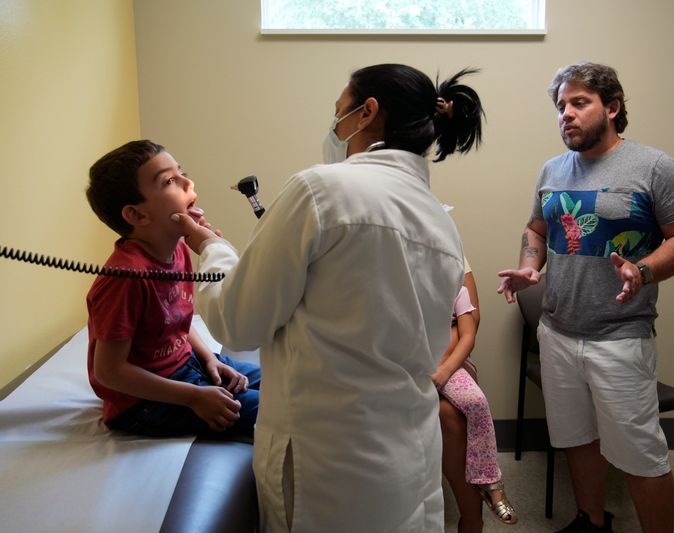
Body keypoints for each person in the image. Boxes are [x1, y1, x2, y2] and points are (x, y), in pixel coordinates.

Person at [172, 64, 486, 532]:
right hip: (409, 454)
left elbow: (237, 322)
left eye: (339, 112)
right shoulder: (441, 223)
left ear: (368, 113)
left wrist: (212, 248)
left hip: (328, 462)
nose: (334, 127)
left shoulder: (320, 190)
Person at [497, 62, 674, 533]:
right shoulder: (552, 170)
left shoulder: (654, 166)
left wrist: (645, 269)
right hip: (556, 331)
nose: (565, 114)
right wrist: (531, 267)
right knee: (577, 438)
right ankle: (592, 521)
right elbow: (537, 228)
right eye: (560, 106)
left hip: (619, 336)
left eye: (578, 103)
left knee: (640, 454)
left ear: (611, 108)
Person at [85, 139, 261, 438]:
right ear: (137, 215)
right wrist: (193, 396)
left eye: (182, 173)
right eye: (169, 180)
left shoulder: (178, 250)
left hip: (186, 366)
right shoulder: (126, 277)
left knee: (283, 381)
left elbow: (173, 321)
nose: (187, 182)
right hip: (144, 401)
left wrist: (209, 359)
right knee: (279, 412)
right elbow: (109, 372)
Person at [434, 275, 518, 527]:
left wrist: (444, 371)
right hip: (413, 367)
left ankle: (491, 482)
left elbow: (467, 335)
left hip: (448, 368)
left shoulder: (457, 291)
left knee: (476, 402)